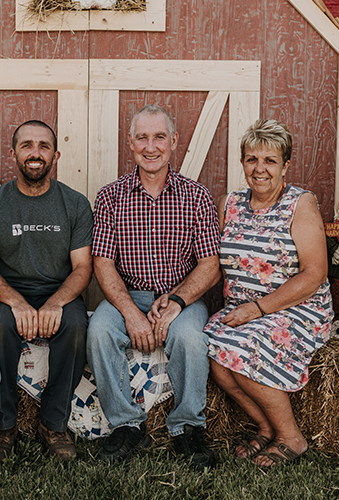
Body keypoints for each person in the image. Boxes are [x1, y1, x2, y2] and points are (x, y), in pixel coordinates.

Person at [87, 104, 221, 469]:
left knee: (192, 339)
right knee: (98, 331)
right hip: (127, 294)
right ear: (130, 143)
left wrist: (177, 301)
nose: (150, 146)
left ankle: (187, 427)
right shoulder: (111, 196)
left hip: (182, 294)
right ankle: (126, 425)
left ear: (173, 141)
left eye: (159, 137)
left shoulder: (196, 196)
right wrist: (131, 313)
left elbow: (210, 265)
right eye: (142, 137)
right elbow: (103, 262)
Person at [204, 119, 333, 467]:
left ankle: (292, 436)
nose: (259, 169)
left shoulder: (299, 204)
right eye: (251, 159)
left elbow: (315, 273)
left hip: (295, 307)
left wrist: (258, 309)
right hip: (244, 308)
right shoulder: (229, 204)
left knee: (240, 348)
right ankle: (266, 427)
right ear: (243, 163)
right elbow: (214, 263)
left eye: (270, 160)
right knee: (215, 358)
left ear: (285, 165)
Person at [0, 120, 93, 462]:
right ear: (12, 154)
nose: (35, 153)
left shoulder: (75, 203)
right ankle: (2, 425)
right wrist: (16, 303)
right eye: (27, 145)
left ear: (55, 155)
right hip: (9, 292)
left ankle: (54, 424)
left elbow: (83, 267)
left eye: (43, 146)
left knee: (75, 326)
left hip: (60, 290)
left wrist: (55, 303)